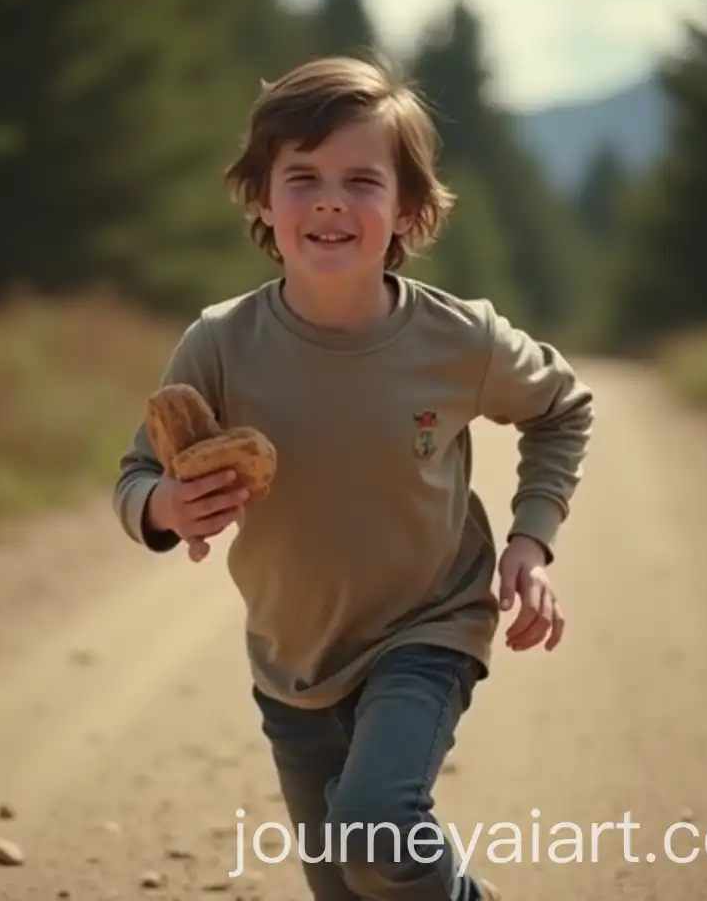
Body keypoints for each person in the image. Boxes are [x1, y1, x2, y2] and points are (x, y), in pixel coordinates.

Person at [113, 54, 595, 901]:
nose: (330, 199)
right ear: (262, 197)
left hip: (427, 630)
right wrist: (165, 504)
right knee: (350, 883)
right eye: (302, 176)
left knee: (375, 830)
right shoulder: (220, 345)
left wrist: (531, 539)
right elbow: (138, 473)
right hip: (290, 662)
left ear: (409, 207)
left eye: (362, 180)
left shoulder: (461, 341)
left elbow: (562, 407)